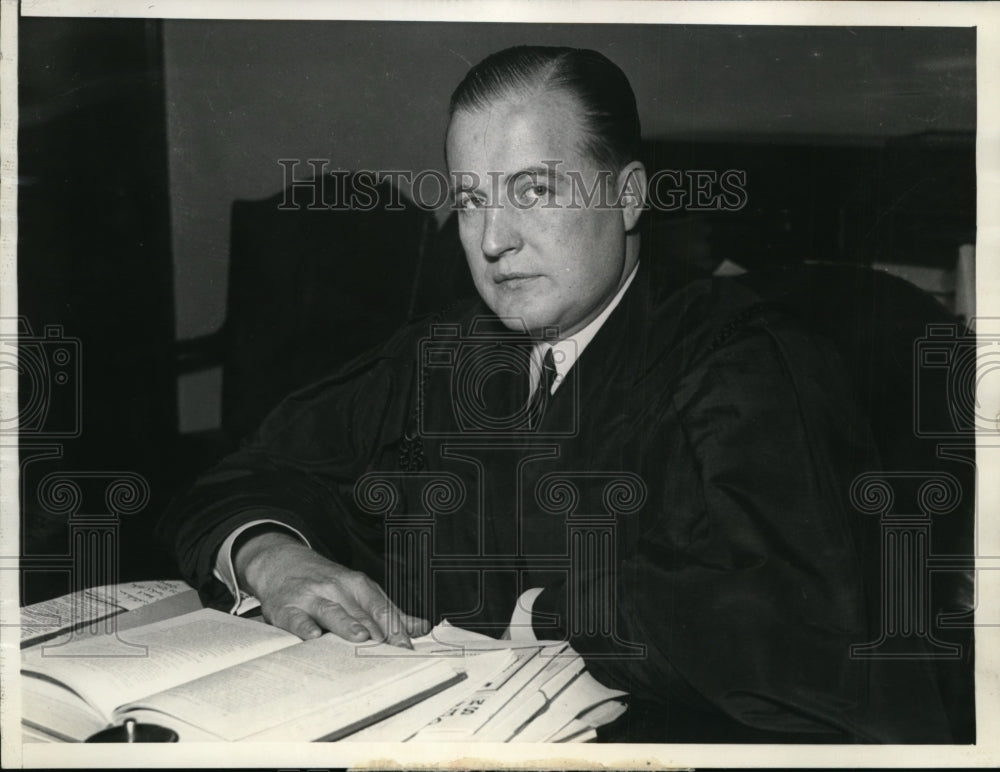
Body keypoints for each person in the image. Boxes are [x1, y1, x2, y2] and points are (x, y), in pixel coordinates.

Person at [159, 46, 956, 742]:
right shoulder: (449, 353)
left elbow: (790, 630)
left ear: (631, 194)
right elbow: (245, 476)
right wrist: (271, 556)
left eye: (533, 190)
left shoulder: (744, 363)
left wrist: (546, 614)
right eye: (472, 200)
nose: (494, 239)